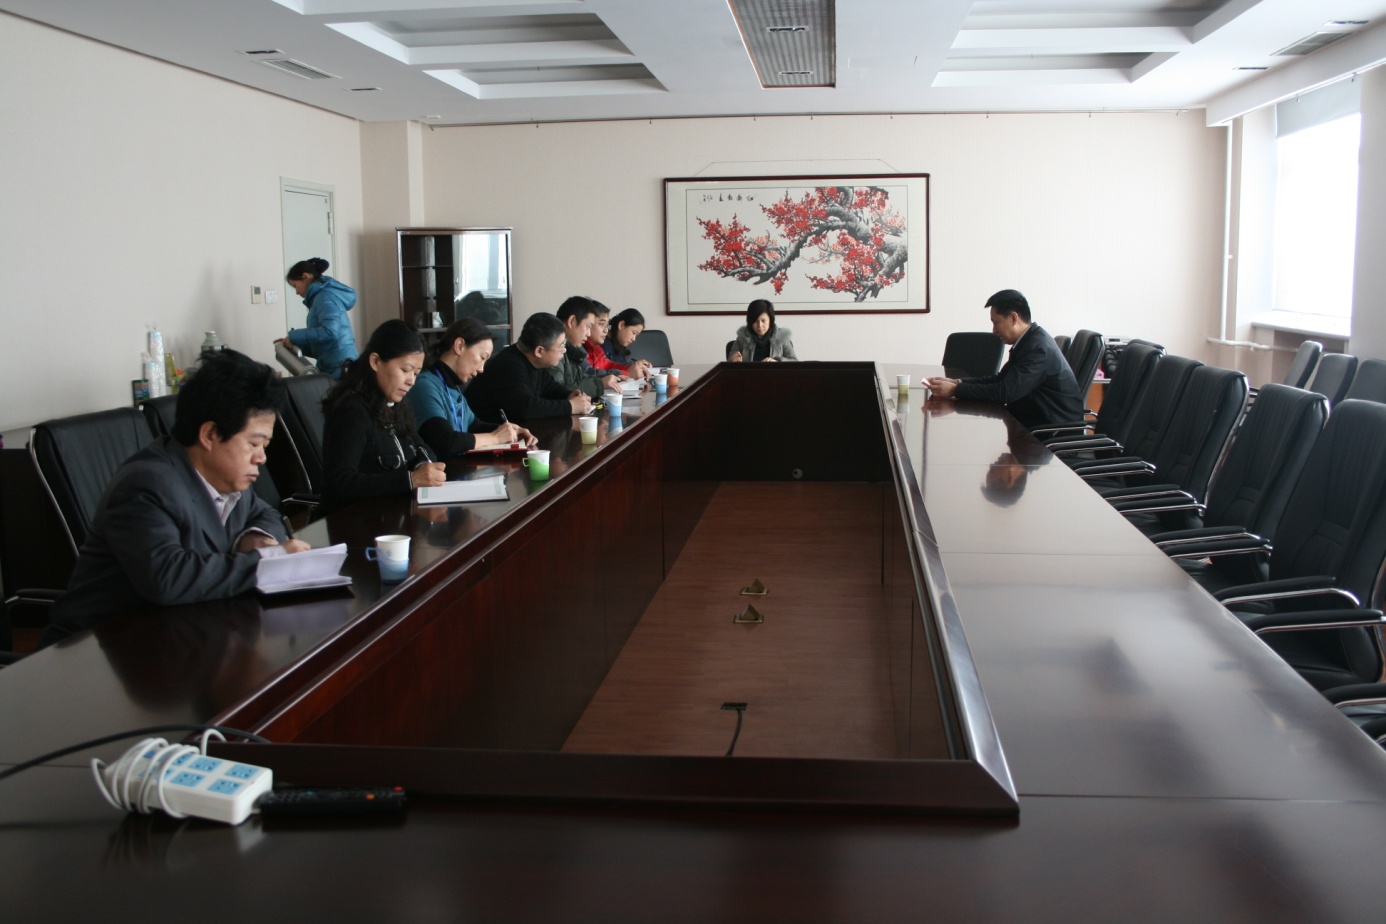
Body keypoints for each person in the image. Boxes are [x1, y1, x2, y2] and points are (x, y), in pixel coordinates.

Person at [42, 350, 312, 645]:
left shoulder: (225, 477)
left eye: (264, 446)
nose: (261, 458)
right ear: (209, 434)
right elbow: (168, 578)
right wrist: (269, 559)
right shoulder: (146, 484)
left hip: (179, 635)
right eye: (254, 444)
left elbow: (266, 514)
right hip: (100, 648)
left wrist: (256, 538)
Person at [320, 320, 447, 512]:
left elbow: (420, 446)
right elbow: (339, 484)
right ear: (375, 362)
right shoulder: (351, 411)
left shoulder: (394, 404)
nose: (411, 381)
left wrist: (422, 466)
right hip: (355, 521)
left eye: (416, 373)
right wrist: (410, 480)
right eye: (405, 370)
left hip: (390, 514)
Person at [927, 289, 1084, 431]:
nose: (994, 330)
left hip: (1052, 434)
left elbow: (1005, 392)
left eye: (996, 322)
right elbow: (1001, 379)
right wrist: (957, 383)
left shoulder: (1038, 349)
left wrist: (955, 391)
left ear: (1013, 318)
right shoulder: (1029, 341)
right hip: (1034, 424)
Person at [407, 317, 536, 458]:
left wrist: (508, 430)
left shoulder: (453, 385)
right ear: (459, 346)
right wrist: (494, 438)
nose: (481, 369)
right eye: (482, 357)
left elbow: (474, 426)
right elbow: (445, 441)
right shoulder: (425, 385)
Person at [465, 313, 595, 422]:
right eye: (561, 345)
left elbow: (549, 387)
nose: (564, 350)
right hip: (484, 435)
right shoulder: (508, 366)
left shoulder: (534, 360)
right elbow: (526, 408)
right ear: (539, 351)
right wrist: (570, 406)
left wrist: (569, 395)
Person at [277, 258, 358, 379]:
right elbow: (321, 344)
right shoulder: (319, 298)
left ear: (305, 276)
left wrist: (294, 336)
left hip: (341, 367)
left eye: (295, 286)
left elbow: (330, 332)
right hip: (336, 365)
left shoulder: (325, 297)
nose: (296, 292)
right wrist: (294, 344)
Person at [550, 296, 622, 397]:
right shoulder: (552, 349)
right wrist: (599, 384)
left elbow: (580, 378)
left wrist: (609, 378)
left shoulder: (571, 350)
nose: (589, 333)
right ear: (572, 321)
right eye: (588, 326)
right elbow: (556, 391)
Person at [585, 303, 651, 379]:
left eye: (607, 325)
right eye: (634, 333)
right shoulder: (598, 345)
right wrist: (627, 373)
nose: (606, 330)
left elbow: (608, 365)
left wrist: (632, 367)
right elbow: (591, 376)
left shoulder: (597, 349)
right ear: (621, 325)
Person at [729, 299, 797, 362]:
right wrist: (734, 360)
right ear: (750, 321)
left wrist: (777, 362)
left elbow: (794, 362)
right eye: (756, 321)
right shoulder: (742, 338)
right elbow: (729, 363)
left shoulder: (782, 337)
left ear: (770, 320)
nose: (760, 325)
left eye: (763, 321)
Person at [602, 308, 653, 377]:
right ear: (621, 325)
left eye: (636, 335)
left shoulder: (618, 344)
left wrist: (634, 365)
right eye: (633, 333)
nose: (634, 339)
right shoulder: (601, 343)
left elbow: (618, 365)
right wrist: (631, 368)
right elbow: (606, 370)